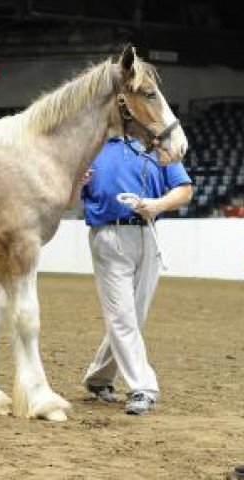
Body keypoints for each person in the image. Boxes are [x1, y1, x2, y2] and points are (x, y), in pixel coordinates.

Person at [79, 136, 193, 415]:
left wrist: (157, 205)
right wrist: (75, 182)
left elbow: (184, 190)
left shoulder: (158, 146)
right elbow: (68, 198)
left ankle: (98, 378)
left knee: (132, 317)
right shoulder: (91, 147)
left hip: (148, 234)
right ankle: (143, 387)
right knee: (123, 316)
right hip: (108, 235)